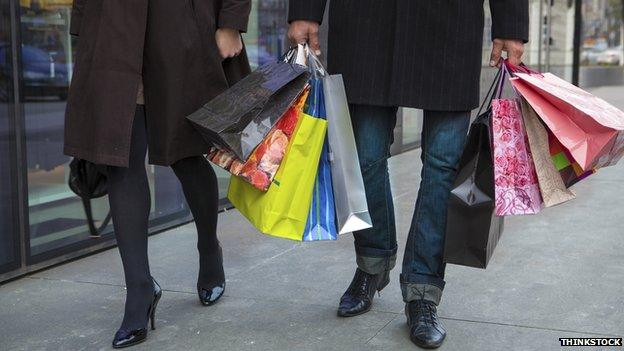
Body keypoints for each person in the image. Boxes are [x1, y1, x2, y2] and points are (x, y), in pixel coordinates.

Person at [288, 1, 528, 348]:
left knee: (443, 168)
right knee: (365, 157)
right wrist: (305, 10)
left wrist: (511, 23)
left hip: (450, 24)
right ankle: (373, 262)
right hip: (367, 25)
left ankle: (423, 290)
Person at [64, 0, 251, 348]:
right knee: (122, 159)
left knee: (186, 154)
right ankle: (139, 291)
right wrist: (86, 23)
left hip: (181, 29)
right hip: (114, 32)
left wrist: (230, 21)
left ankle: (209, 249)